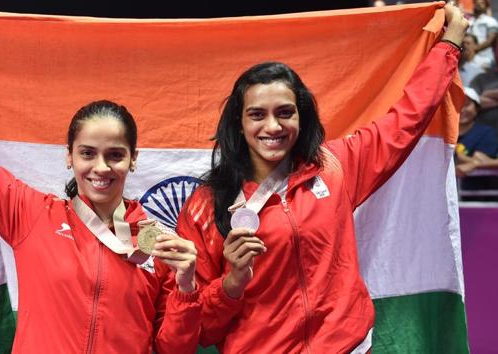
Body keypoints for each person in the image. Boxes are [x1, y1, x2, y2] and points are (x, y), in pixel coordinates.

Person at [0, 9, 201, 354]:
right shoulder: (30, 214)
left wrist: (187, 286)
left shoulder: (157, 242)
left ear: (133, 159)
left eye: (115, 155)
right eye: (87, 153)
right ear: (69, 156)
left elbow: (172, 348)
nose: (101, 167)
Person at [176, 4, 468, 354]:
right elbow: (200, 329)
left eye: (285, 113)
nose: (273, 127)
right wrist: (232, 284)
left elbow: (406, 119)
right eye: (257, 115)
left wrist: (449, 45)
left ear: (302, 116)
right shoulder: (207, 206)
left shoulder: (335, 166)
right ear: (239, 123)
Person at [468, 0, 498, 66]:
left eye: (481, 3)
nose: (478, 4)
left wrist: (474, 49)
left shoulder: (490, 21)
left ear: (486, 6)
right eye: (476, 3)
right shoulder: (470, 21)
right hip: (469, 59)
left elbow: (490, 41)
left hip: (485, 60)